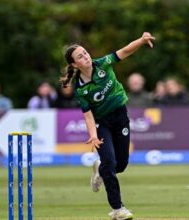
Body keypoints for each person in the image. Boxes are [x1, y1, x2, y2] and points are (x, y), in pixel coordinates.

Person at [60, 32, 155, 220]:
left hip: (121, 117)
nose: (85, 57)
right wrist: (93, 136)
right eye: (80, 56)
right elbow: (88, 116)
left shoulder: (102, 63)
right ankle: (118, 209)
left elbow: (126, 51)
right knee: (110, 164)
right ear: (74, 65)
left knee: (120, 165)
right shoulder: (80, 89)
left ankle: (99, 168)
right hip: (102, 123)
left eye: (85, 53)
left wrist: (142, 41)